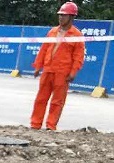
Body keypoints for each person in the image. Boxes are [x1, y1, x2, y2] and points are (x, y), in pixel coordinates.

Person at [31, 2, 85, 131]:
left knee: (57, 101)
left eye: (64, 15)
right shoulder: (52, 32)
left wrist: (73, 72)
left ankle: (51, 125)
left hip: (63, 73)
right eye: (60, 15)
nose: (60, 17)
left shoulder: (77, 35)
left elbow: (78, 56)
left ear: (71, 17)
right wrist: (38, 66)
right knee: (41, 98)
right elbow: (44, 49)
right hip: (48, 69)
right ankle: (35, 124)